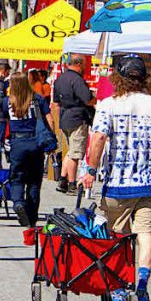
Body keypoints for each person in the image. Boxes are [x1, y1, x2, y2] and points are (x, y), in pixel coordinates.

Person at [81, 55, 151, 301]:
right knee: (146, 235)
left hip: (119, 183)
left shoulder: (108, 105)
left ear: (117, 78)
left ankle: (119, 289)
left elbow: (99, 137)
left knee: (117, 236)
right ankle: (142, 288)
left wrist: (91, 168)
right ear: (144, 78)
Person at [1, 72, 55, 228]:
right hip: (36, 142)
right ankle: (31, 216)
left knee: (16, 177)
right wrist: (49, 139)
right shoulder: (37, 99)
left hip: (17, 142)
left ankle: (18, 203)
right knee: (34, 181)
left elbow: (3, 122)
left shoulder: (7, 102)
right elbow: (49, 119)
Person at [53, 54, 95, 195]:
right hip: (77, 118)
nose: (85, 67)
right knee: (75, 153)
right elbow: (87, 99)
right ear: (78, 64)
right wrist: (94, 99)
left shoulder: (60, 79)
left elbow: (56, 103)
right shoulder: (77, 80)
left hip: (65, 117)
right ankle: (72, 184)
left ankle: (63, 180)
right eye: (83, 64)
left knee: (71, 150)